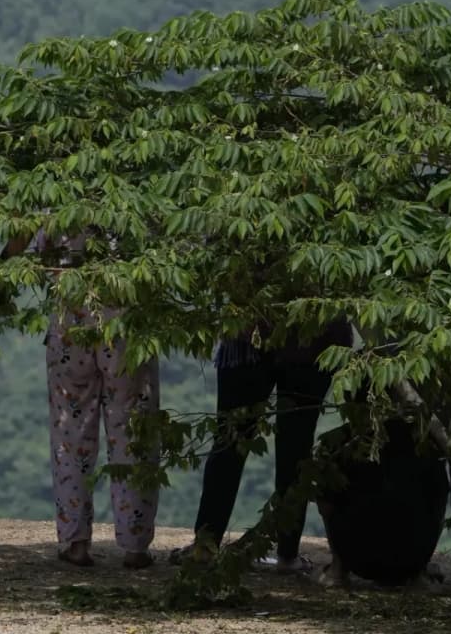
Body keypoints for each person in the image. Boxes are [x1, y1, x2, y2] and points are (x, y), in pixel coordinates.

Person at [179, 322, 347, 572]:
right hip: (314, 341)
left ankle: (205, 545)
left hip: (251, 335)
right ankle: (287, 554)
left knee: (231, 441)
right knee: (296, 448)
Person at [39, 236, 159, 568]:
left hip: (70, 320)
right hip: (126, 320)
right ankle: (135, 546)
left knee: (70, 433)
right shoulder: (141, 194)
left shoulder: (56, 195)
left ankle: (75, 542)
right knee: (133, 430)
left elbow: (40, 255)